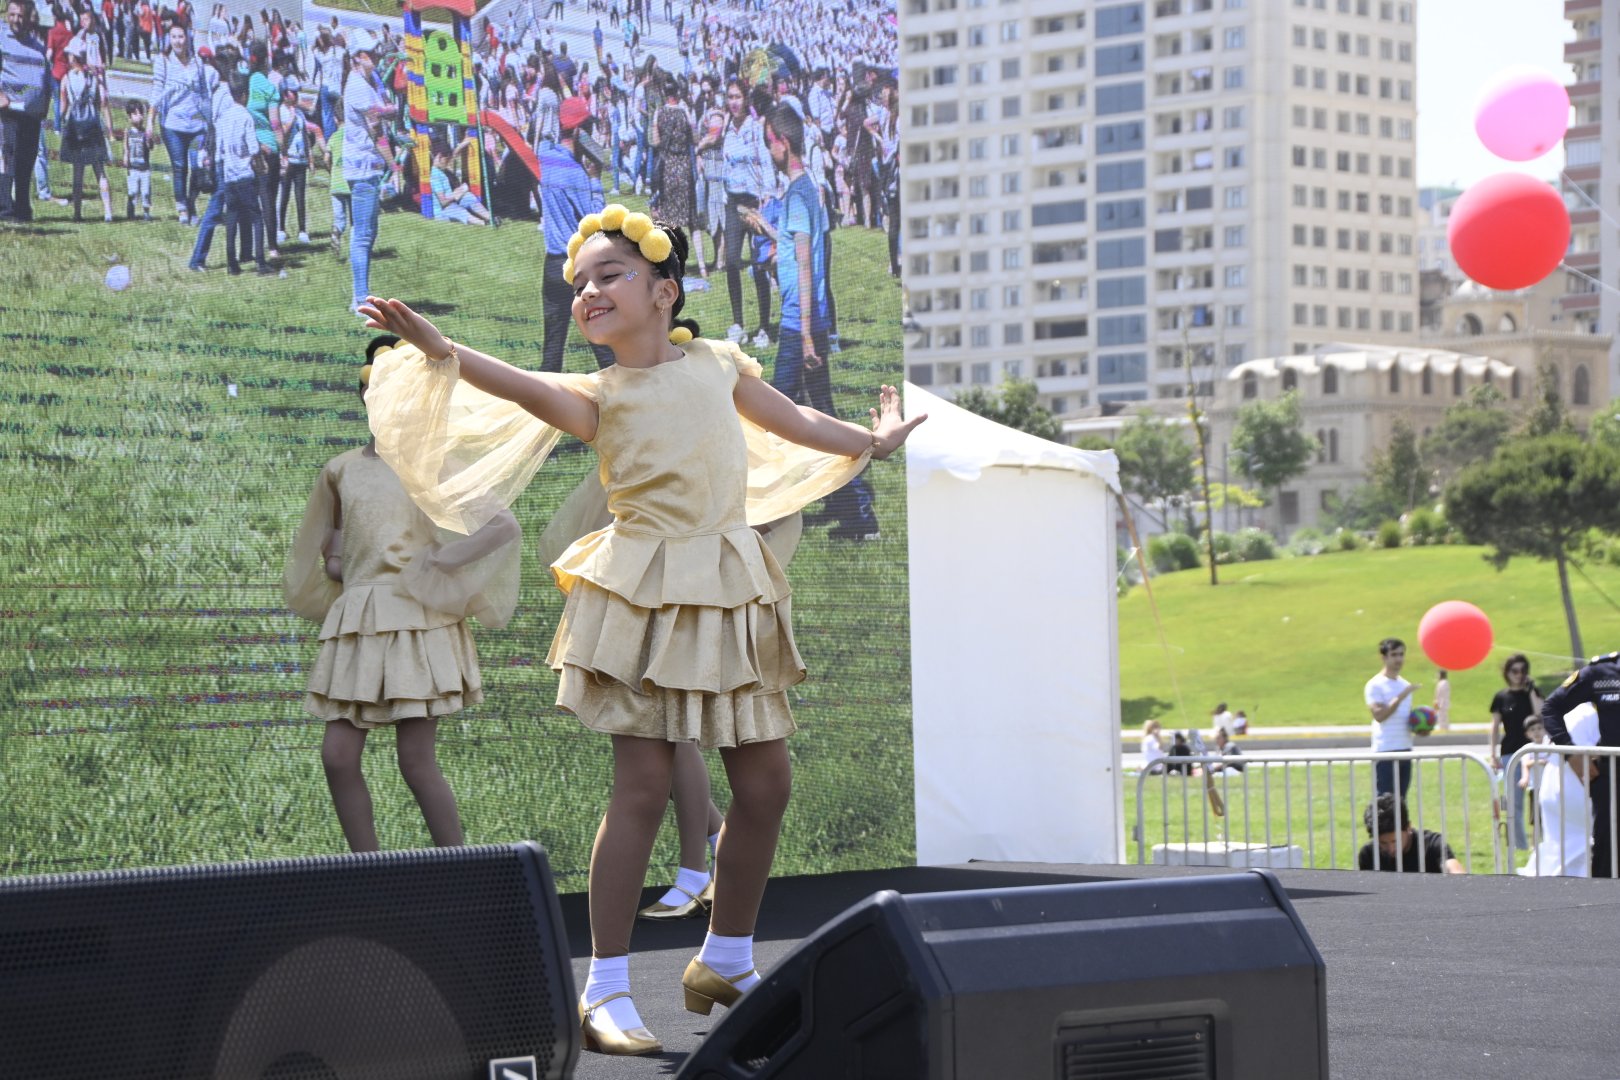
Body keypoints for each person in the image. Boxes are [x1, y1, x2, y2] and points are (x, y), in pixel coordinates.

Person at [358, 205, 924, 1055]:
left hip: (729, 588)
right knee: (644, 787)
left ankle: (727, 956)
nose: (588, 292)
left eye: (608, 274)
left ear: (665, 291)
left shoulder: (718, 364)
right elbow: (515, 382)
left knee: (767, 784)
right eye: (578, 283)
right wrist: (444, 351)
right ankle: (607, 986)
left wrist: (872, 446)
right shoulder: (597, 397)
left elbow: (798, 425)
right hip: (645, 593)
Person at [284, 336, 521, 854]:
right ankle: (370, 869)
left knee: (415, 760)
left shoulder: (430, 463)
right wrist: (337, 560)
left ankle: (456, 867)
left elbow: (500, 525)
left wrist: (439, 561)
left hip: (416, 618)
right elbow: (341, 546)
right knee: (338, 757)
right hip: (361, 617)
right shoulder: (341, 468)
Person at [535, 97, 612, 371]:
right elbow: (596, 221)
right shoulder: (579, 174)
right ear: (580, 131)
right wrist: (594, 179)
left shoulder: (544, 158)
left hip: (551, 265)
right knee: (603, 345)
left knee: (552, 349)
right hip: (576, 268)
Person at [1539, 650, 1620, 879]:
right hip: (1613, 776)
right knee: (1608, 852)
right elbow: (1551, 708)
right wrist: (1571, 754)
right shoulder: (1601, 672)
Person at [341, 29, 390, 314]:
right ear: (358, 58)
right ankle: (360, 299)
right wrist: (390, 109)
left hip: (368, 165)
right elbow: (376, 121)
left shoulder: (368, 81)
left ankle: (362, 293)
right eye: (371, 53)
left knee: (367, 232)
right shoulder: (358, 86)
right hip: (361, 167)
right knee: (362, 234)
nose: (377, 56)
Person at [1520, 707, 1601, 878]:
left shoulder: (1569, 710)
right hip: (1574, 785)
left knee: (1561, 849)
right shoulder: (1587, 713)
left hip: (1558, 784)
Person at [153, 23, 215, 224]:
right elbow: (156, 91)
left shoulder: (197, 62)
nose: (178, 41)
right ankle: (182, 208)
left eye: (181, 36)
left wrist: (209, 119)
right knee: (180, 167)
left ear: (187, 38)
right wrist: (149, 119)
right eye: (174, 37)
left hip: (197, 125)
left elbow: (204, 92)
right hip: (173, 124)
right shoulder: (163, 61)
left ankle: (191, 202)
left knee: (197, 166)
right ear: (169, 39)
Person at [0, 0, 52, 223]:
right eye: (12, 15)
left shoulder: (37, 46)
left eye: (20, 16)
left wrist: (45, 104)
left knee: (26, 161)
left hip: (32, 114)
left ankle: (22, 207)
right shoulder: (2, 39)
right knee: (7, 159)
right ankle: (4, 207)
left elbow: (46, 78)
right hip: (8, 111)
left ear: (28, 17)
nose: (16, 20)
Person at [215, 72, 270, 275]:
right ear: (245, 95)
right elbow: (253, 148)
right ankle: (260, 262)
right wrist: (262, 163)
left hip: (229, 175)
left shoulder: (225, 117)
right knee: (256, 218)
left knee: (232, 218)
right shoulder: (246, 117)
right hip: (245, 174)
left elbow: (221, 147)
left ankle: (232, 263)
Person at [1490, 653, 1542, 855]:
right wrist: (1493, 753)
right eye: (1515, 671)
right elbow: (1495, 726)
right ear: (1507, 672)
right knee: (1514, 801)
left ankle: (1540, 842)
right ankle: (1520, 844)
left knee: (1539, 799)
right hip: (1510, 752)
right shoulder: (1501, 697)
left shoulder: (1532, 692)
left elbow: (1539, 715)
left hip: (1535, 750)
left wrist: (1531, 691)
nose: (1519, 675)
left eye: (1523, 671)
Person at [57, 38, 113, 222]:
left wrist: (61, 121)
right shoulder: (93, 78)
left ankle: (77, 213)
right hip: (93, 126)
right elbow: (101, 102)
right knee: (100, 170)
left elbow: (63, 106)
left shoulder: (67, 78)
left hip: (75, 127)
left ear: (73, 56)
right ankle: (108, 212)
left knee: (78, 171)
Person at [1357, 793, 1466, 874]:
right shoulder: (1368, 855)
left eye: (1395, 841)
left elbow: (1455, 871)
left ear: (1408, 827)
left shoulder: (1433, 844)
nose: (1391, 849)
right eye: (1383, 843)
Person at [1365, 637, 1418, 798]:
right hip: (1385, 751)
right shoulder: (1375, 685)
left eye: (1401, 654)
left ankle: (1401, 825)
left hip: (1405, 749)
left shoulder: (1404, 684)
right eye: (1394, 655)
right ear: (1384, 657)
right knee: (1385, 801)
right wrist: (1400, 697)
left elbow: (1404, 719)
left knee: (1401, 800)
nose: (1399, 659)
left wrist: (1421, 727)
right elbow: (1379, 716)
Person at [275, 76, 322, 243]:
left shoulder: (300, 113)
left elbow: (304, 135)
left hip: (300, 158)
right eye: (292, 92)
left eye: (296, 92)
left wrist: (310, 157)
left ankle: (303, 229)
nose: (295, 95)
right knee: (284, 195)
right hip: (288, 159)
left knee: (300, 195)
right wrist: (291, 119)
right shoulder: (280, 111)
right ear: (284, 94)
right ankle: (280, 229)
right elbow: (281, 135)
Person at [427, 135, 490, 225]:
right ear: (440, 157)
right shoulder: (435, 175)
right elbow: (443, 202)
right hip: (444, 210)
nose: (448, 162)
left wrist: (463, 144)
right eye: (447, 160)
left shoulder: (442, 171)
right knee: (460, 211)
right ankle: (483, 223)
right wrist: (456, 194)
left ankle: (490, 218)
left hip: (452, 204)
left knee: (468, 197)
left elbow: (454, 155)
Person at [119, 99, 151, 219]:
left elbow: (150, 146)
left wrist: (149, 139)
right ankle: (130, 212)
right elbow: (125, 145)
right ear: (129, 116)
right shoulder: (128, 132)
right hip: (132, 168)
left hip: (144, 168)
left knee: (145, 192)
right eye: (136, 114)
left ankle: (146, 213)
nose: (140, 116)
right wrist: (125, 156)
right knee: (133, 191)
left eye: (141, 113)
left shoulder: (144, 132)